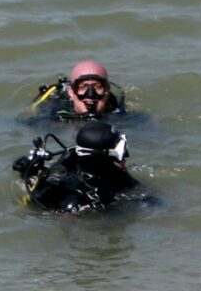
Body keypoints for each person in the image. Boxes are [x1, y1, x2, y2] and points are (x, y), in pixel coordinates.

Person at [13, 118, 145, 213]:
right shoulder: (75, 197)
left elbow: (135, 189)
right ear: (100, 158)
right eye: (120, 153)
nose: (125, 157)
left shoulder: (82, 159)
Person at [26, 58, 131, 123]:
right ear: (71, 92)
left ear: (107, 91)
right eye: (83, 87)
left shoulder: (116, 109)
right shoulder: (56, 112)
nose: (90, 95)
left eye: (98, 87)